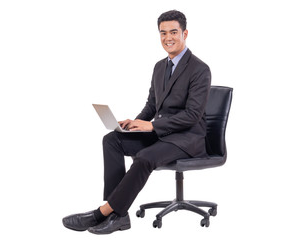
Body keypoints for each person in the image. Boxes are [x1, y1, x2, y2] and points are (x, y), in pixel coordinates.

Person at [62, 10, 211, 234]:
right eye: (163, 33)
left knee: (144, 157)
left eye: (173, 32)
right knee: (112, 140)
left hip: (188, 138)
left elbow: (193, 115)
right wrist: (135, 123)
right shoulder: (160, 67)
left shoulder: (200, 69)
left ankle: (102, 213)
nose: (167, 38)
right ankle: (118, 214)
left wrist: (152, 126)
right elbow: (152, 104)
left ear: (185, 33)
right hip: (162, 134)